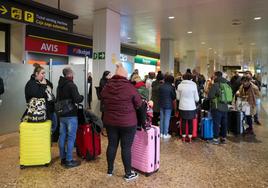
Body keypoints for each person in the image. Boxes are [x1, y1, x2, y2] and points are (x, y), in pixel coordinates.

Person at [101, 62, 142, 181]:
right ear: (125, 76)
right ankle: (128, 174)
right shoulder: (130, 87)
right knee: (126, 147)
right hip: (127, 123)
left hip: (110, 121)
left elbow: (102, 97)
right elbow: (139, 103)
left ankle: (109, 170)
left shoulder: (107, 86)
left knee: (112, 145)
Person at [57, 67, 84, 168]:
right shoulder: (71, 85)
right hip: (71, 115)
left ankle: (63, 158)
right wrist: (82, 97)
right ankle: (69, 160)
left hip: (61, 115)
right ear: (70, 74)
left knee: (62, 136)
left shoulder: (59, 85)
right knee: (71, 137)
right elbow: (77, 99)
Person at [25, 64, 56, 129]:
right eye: (42, 73)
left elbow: (51, 85)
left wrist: (44, 83)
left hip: (49, 110)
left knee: (53, 126)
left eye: (44, 73)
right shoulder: (31, 83)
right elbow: (38, 95)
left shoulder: (42, 81)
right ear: (36, 73)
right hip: (38, 112)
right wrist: (43, 85)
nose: (44, 75)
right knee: (44, 129)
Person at [176, 73, 199, 143]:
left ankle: (183, 137)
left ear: (183, 78)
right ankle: (190, 138)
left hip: (182, 106)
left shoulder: (180, 85)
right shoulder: (194, 85)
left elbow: (177, 98)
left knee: (183, 121)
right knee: (190, 122)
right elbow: (197, 99)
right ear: (191, 78)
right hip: (191, 107)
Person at [208, 71, 229, 145]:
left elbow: (210, 96)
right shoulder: (226, 84)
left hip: (217, 107)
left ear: (216, 76)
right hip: (225, 107)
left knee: (216, 123)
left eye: (213, 76)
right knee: (224, 123)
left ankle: (215, 139)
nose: (213, 77)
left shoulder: (216, 85)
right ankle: (223, 138)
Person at [159, 75, 176, 139]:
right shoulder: (172, 87)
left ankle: (161, 133)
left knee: (162, 119)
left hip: (161, 104)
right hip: (168, 105)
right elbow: (174, 97)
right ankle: (165, 134)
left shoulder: (161, 86)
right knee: (167, 119)